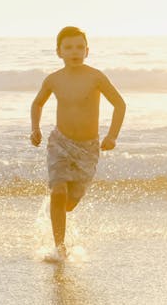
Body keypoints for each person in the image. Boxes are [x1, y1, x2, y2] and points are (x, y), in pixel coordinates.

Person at [30, 26, 126, 258]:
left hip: (88, 148)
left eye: (80, 47)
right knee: (58, 191)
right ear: (59, 52)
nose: (75, 52)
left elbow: (120, 104)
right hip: (60, 143)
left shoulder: (96, 77)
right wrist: (35, 128)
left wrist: (112, 135)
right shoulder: (53, 79)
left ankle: (56, 214)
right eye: (69, 47)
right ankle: (59, 247)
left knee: (70, 203)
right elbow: (37, 103)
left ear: (87, 51)